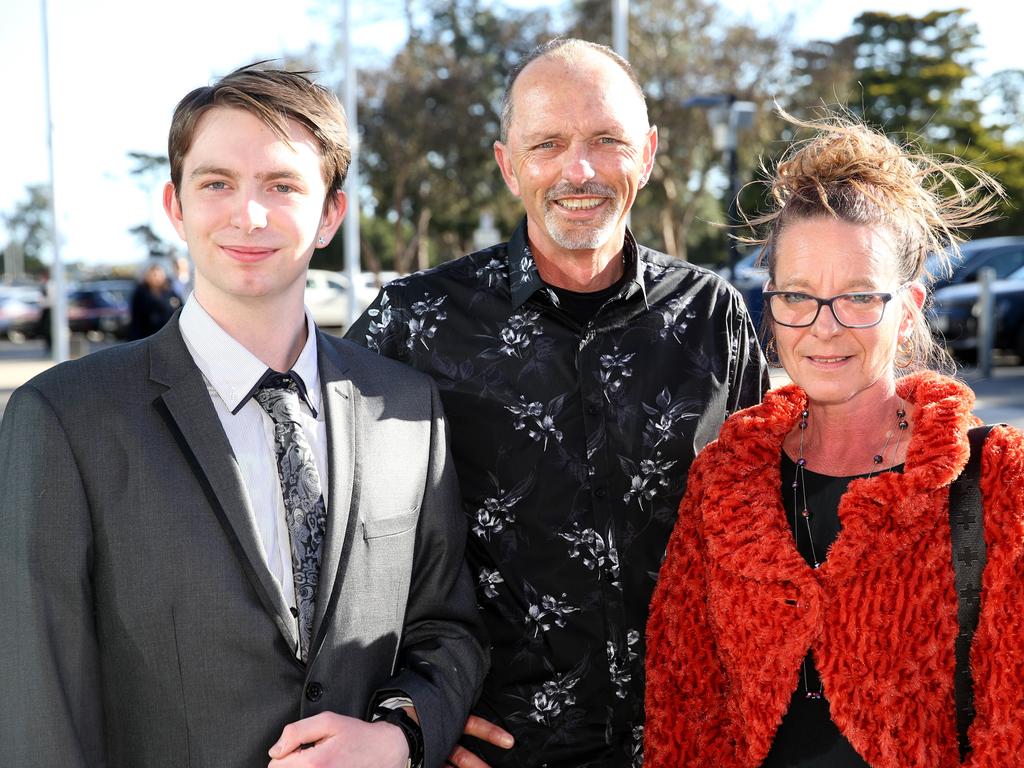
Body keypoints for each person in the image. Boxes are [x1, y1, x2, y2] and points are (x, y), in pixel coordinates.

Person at [0, 64, 486, 768]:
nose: (248, 214)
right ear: (175, 205)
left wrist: (401, 735)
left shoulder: (407, 408)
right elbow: (37, 709)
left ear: (329, 215)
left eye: (282, 186)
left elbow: (447, 627)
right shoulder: (65, 419)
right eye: (217, 183)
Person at [347, 38, 768, 767]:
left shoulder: (712, 315)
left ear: (648, 152)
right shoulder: (415, 324)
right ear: (509, 165)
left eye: (607, 140)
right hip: (505, 751)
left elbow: (774, 523)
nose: (580, 171)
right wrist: (413, 717)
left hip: (696, 743)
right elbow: (332, 540)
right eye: (548, 144)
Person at [645, 111, 1024, 767]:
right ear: (771, 302)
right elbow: (683, 705)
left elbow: (1012, 725)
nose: (822, 327)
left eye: (857, 297)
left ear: (906, 311)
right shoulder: (725, 483)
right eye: (798, 295)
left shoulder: (994, 479)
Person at [128, 259, 183, 339]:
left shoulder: (171, 293)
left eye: (159, 274)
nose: (156, 278)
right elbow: (136, 318)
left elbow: (179, 310)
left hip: (167, 335)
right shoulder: (140, 293)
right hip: (146, 336)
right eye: (153, 275)